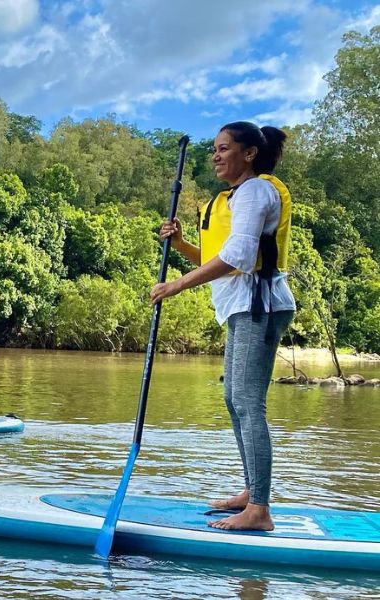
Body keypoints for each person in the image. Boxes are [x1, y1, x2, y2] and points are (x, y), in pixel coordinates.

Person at [152, 122, 295, 531]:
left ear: (249, 153)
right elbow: (219, 259)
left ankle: (260, 510)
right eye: (213, 149)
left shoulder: (254, 191)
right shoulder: (237, 196)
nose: (215, 156)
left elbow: (239, 257)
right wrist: (181, 246)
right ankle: (253, 492)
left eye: (224, 148)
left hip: (259, 305)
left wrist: (176, 285)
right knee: (235, 400)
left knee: (249, 403)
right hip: (242, 306)